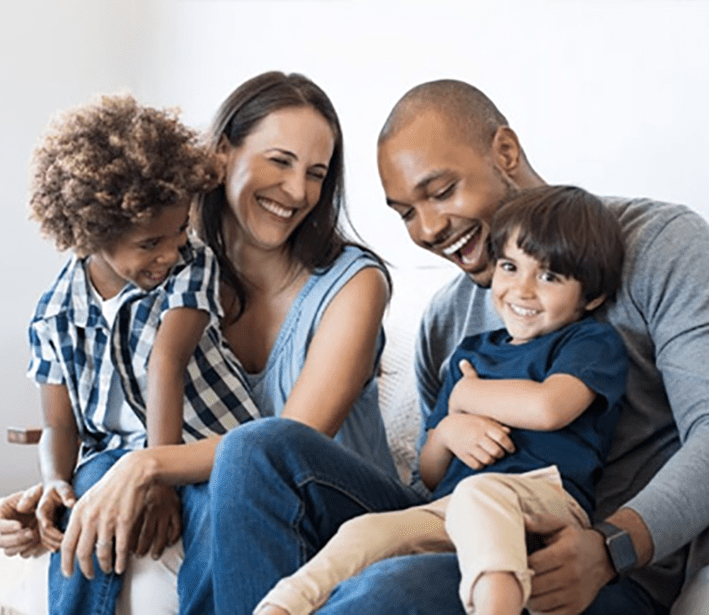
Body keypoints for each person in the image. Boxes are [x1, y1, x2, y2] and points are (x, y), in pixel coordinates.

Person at [208, 79, 709, 615]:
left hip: (589, 565)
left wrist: (611, 548)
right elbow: (433, 476)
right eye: (405, 212)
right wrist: (450, 428)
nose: (427, 229)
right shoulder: (446, 319)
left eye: (442, 191)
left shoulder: (657, 244)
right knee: (255, 450)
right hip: (463, 526)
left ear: (506, 153)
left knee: (382, 592)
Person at [0, 71, 395, 615]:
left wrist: (149, 465)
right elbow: (110, 410)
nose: (298, 191)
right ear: (222, 154)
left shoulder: (352, 283)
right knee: (106, 483)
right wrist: (57, 488)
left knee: (247, 457)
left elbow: (284, 447)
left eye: (317, 174)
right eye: (280, 161)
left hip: (336, 504)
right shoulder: (166, 268)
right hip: (231, 494)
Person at [254, 185, 627, 615]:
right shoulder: (471, 354)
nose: (522, 290)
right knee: (366, 531)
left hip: (546, 500)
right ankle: (280, 606)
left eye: (548, 277)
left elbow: (550, 407)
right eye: (509, 266)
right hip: (453, 507)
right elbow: (430, 473)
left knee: (479, 495)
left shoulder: (588, 341)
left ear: (592, 297)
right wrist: (450, 428)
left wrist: (469, 396)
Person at [24, 93, 261, 614]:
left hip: (206, 445)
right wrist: (53, 483)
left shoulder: (192, 266)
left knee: (215, 510)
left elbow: (166, 362)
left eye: (180, 231)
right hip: (113, 454)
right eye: (151, 242)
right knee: (84, 502)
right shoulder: (53, 313)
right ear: (94, 233)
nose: (170, 252)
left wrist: (157, 477)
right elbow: (59, 427)